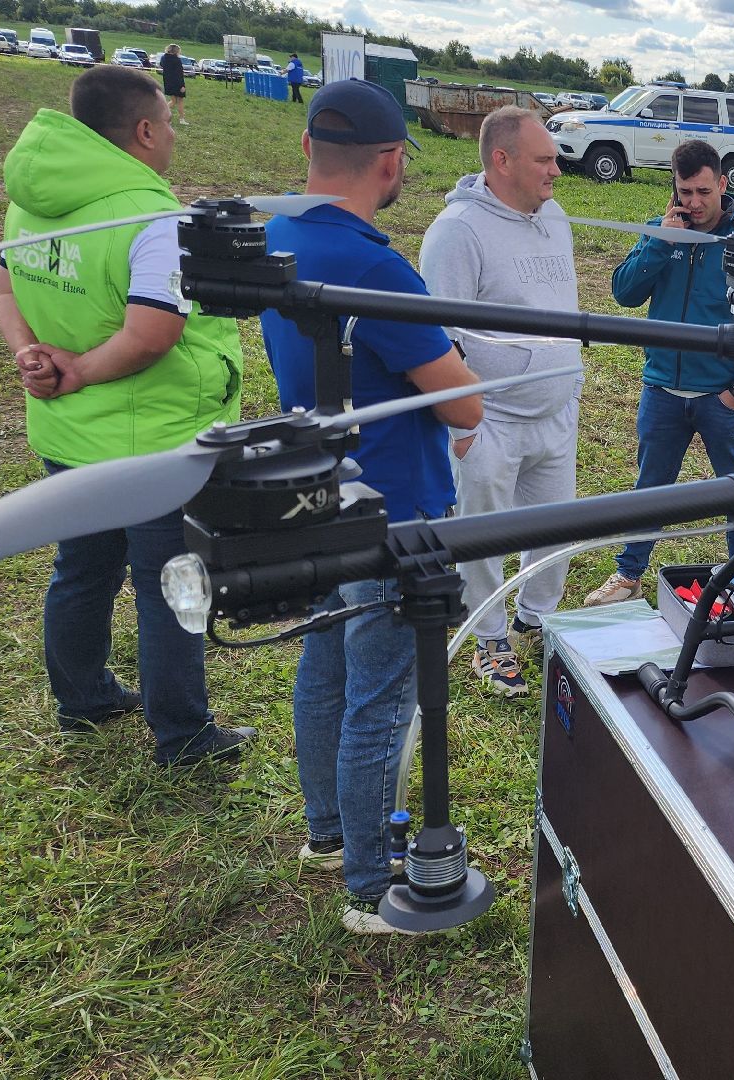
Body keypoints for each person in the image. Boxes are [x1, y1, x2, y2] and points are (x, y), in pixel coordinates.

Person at [260, 79, 481, 935]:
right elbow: (464, 404)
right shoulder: (377, 268)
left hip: (316, 493)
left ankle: (327, 833)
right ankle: (365, 885)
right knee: (381, 698)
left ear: (308, 149)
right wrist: (453, 354)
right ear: (390, 162)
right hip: (396, 510)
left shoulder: (278, 236)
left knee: (325, 668)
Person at [0, 65, 251, 765]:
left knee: (83, 567)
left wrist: (30, 355)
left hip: (67, 431)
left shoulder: (32, 202)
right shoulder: (150, 214)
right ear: (143, 130)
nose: (172, 135)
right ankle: (184, 734)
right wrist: (77, 368)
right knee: (169, 583)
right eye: (166, 123)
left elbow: (4, 285)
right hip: (150, 442)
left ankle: (82, 698)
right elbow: (151, 334)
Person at [419, 107, 581, 695]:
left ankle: (537, 620)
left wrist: (569, 384)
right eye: (544, 160)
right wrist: (463, 427)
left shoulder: (553, 217)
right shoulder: (457, 232)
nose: (556, 170)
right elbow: (438, 337)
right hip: (491, 419)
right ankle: (488, 637)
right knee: (483, 533)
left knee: (557, 526)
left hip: (556, 412)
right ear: (501, 160)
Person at [584, 139, 734, 607]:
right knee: (650, 488)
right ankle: (628, 575)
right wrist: (661, 243)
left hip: (721, 396)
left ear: (723, 183)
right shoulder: (660, 232)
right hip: (662, 389)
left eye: (703, 192)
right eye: (685, 192)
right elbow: (624, 293)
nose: (694, 203)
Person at [158, 44, 186, 126]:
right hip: (177, 83)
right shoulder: (177, 60)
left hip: (168, 82)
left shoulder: (163, 58)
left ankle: (161, 114)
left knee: (173, 101)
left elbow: (161, 65)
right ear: (176, 51)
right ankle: (181, 119)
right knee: (180, 101)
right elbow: (179, 74)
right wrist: (182, 85)